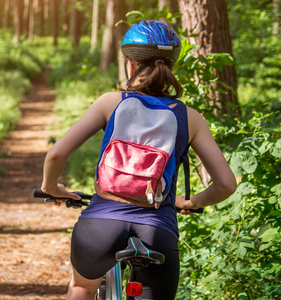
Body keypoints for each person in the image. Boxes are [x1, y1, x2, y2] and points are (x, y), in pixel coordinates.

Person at [40, 20, 237, 300]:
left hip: (99, 227)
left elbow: (57, 153)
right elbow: (227, 184)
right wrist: (190, 201)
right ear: (171, 67)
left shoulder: (110, 102)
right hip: (156, 230)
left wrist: (51, 187)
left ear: (129, 65)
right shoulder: (190, 117)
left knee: (82, 288)